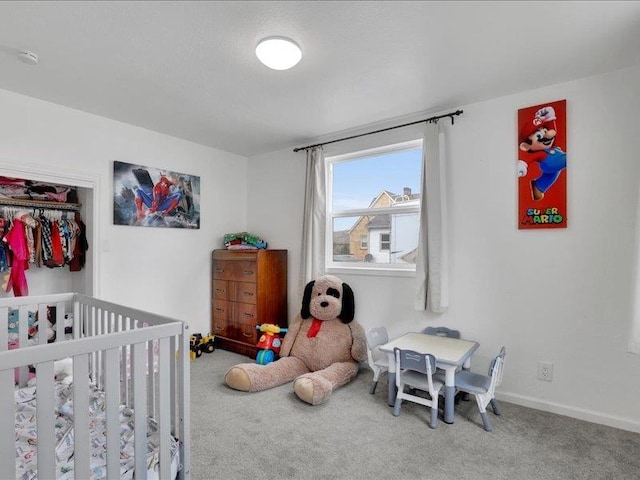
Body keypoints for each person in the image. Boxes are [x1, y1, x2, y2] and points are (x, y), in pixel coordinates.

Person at [517, 105, 566, 201]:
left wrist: (549, 117)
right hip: (549, 163)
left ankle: (538, 186)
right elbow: (527, 160)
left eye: (545, 131)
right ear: (526, 146)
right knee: (568, 159)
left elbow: (552, 129)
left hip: (552, 167)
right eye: (539, 136)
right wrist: (522, 165)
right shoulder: (540, 153)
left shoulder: (551, 144)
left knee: (550, 176)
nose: (547, 135)